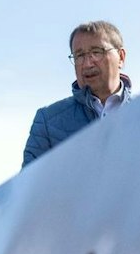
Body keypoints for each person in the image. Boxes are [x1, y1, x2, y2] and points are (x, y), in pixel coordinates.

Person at [22, 20, 133, 168]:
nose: (87, 64)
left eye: (96, 52)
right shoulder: (48, 121)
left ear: (121, 57)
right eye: (79, 56)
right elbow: (30, 180)